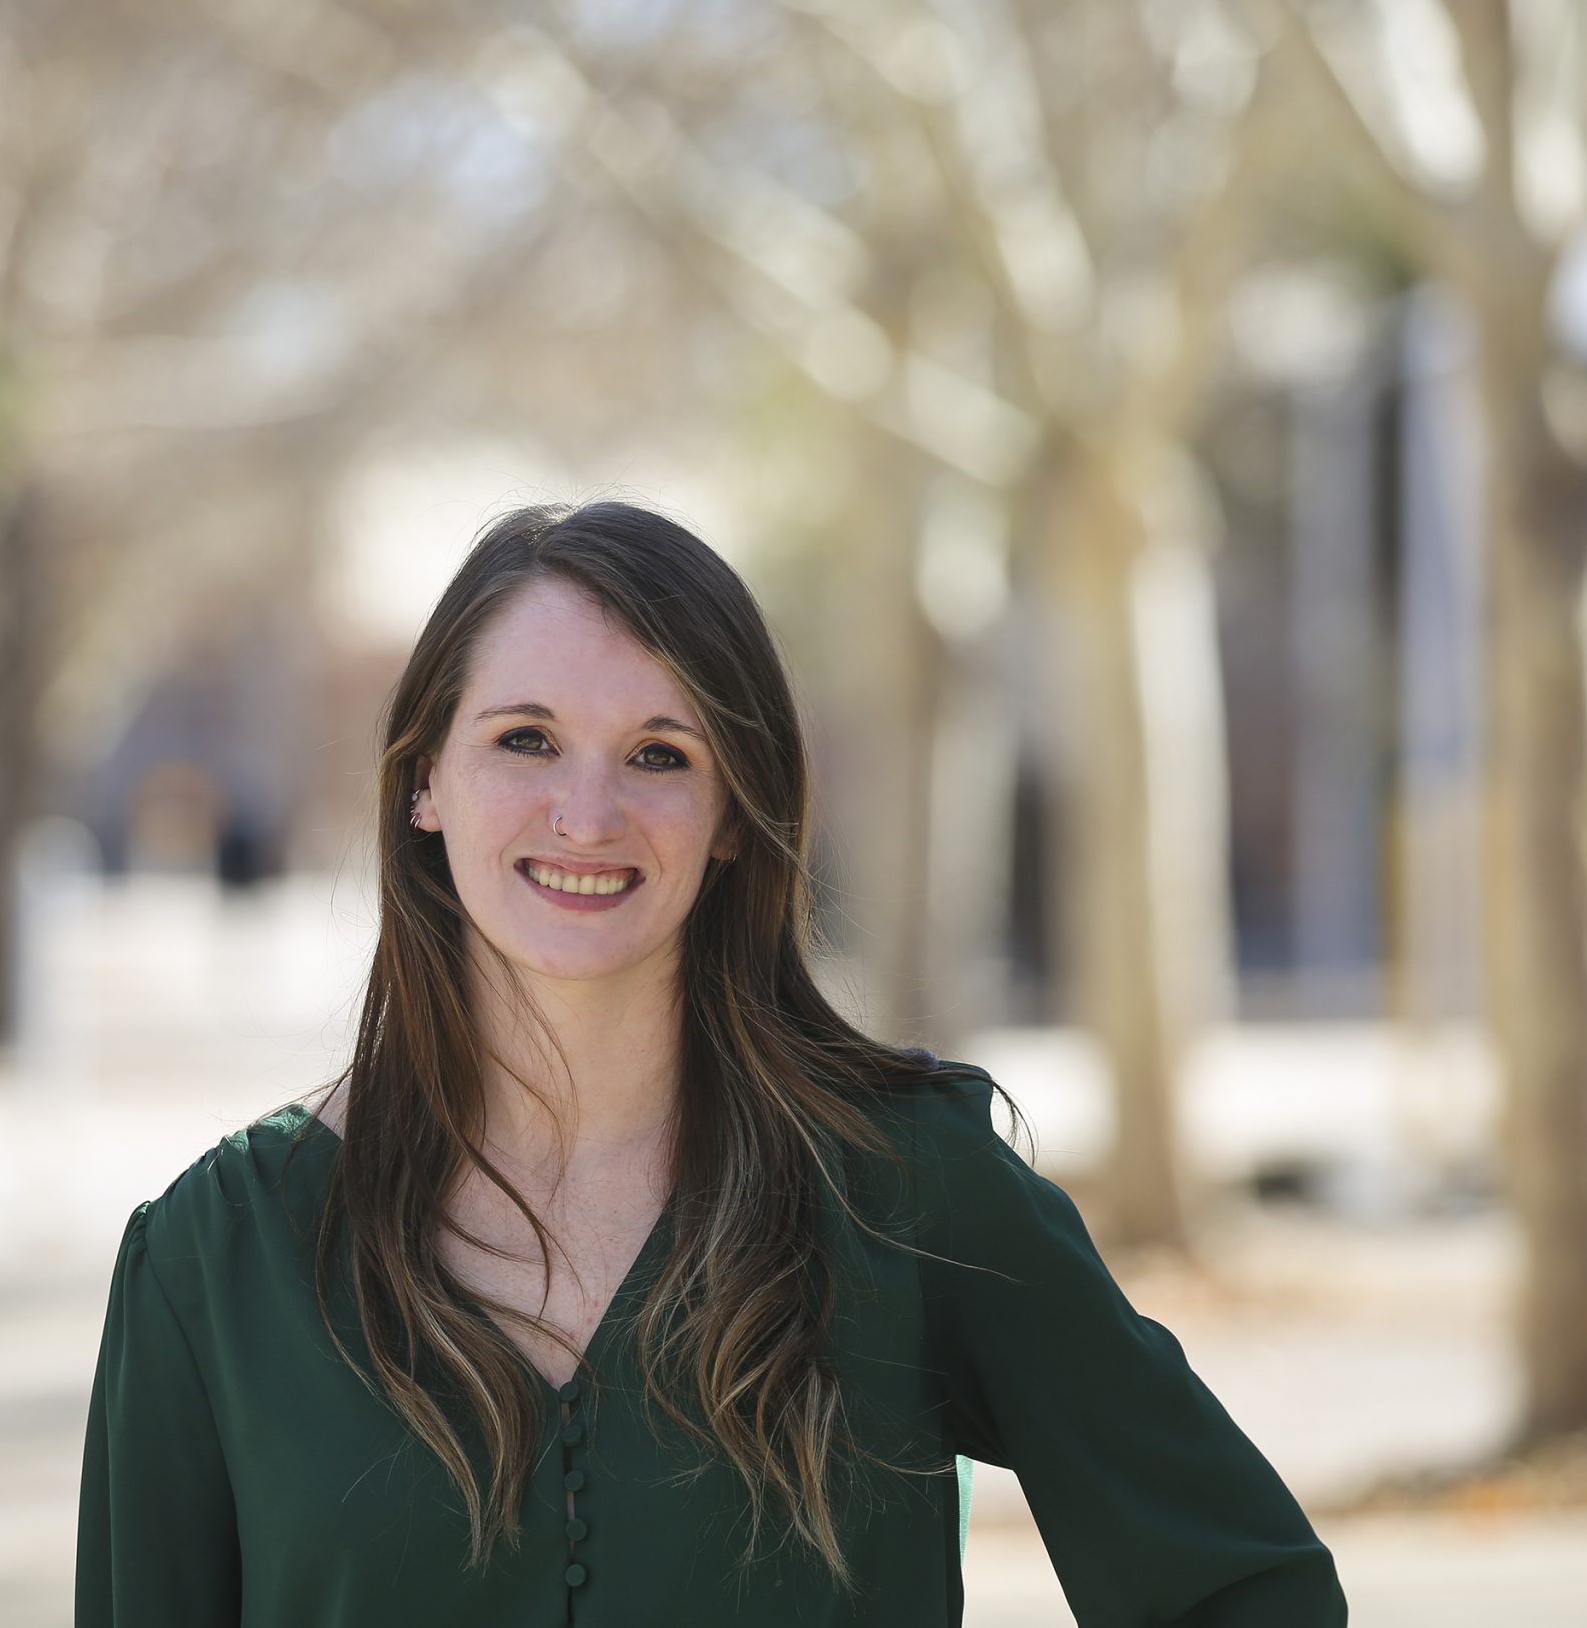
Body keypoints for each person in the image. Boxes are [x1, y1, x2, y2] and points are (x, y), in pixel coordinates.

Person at [75, 500, 1346, 1626]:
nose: (588, 813)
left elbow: (1242, 1588)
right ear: (423, 784)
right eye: (524, 739)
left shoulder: (903, 1191)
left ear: (735, 813)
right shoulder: (214, 1266)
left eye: (660, 755)